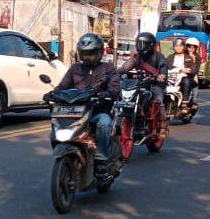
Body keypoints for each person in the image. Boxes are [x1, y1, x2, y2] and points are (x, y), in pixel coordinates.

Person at [50, 33, 120, 161]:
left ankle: (102, 158)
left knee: (104, 124)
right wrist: (53, 93)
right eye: (84, 53)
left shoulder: (107, 68)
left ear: (99, 52)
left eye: (90, 53)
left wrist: (106, 94)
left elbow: (115, 89)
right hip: (76, 111)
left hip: (98, 111)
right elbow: (63, 86)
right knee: (56, 124)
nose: (87, 56)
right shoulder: (75, 68)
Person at [118, 32, 169, 123]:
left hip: (155, 84)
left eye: (143, 44)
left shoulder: (159, 56)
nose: (141, 46)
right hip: (140, 84)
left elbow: (163, 69)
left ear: (151, 45)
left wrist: (162, 75)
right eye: (139, 44)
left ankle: (163, 125)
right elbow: (125, 68)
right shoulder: (136, 57)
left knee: (158, 100)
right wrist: (116, 73)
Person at [166, 38, 199, 113]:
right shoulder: (169, 57)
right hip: (171, 79)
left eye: (180, 45)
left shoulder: (189, 58)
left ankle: (184, 104)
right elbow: (167, 67)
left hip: (185, 79)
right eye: (176, 45)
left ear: (183, 46)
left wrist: (188, 71)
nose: (178, 47)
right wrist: (181, 69)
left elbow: (193, 70)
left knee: (186, 80)